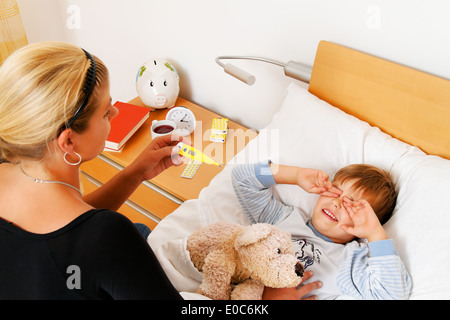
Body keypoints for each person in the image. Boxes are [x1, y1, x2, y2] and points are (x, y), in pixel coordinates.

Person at [0, 41, 320, 300]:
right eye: (105, 112)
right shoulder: (108, 236)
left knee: (141, 230)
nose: (115, 110)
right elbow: (84, 240)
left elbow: (69, 233)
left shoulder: (9, 169)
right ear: (68, 141)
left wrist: (134, 174)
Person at [232, 161, 412, 300]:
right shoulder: (284, 219)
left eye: (352, 205)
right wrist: (295, 175)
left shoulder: (348, 262)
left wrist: (374, 232)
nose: (337, 202)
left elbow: (392, 293)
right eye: (336, 191)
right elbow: (242, 178)